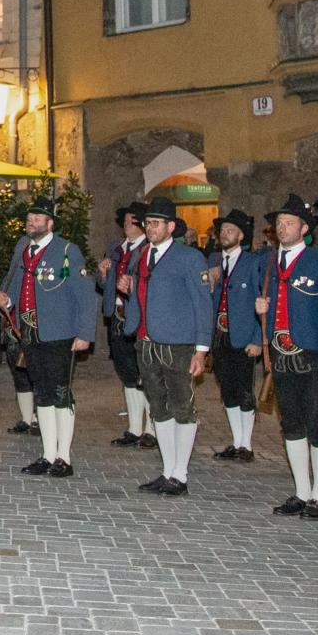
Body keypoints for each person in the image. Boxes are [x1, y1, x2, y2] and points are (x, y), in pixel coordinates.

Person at [255, 195, 318, 520]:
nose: (282, 228)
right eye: (279, 223)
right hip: (280, 354)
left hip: (312, 354)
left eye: (289, 223)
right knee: (290, 423)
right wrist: (261, 312)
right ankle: (301, 491)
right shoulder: (268, 262)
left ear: (304, 228)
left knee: (316, 423)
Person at [0, 196, 97, 476]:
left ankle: (64, 457)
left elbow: (86, 296)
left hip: (60, 332)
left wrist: (85, 333)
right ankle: (48, 454)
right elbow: (17, 287)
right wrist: (7, 302)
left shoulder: (67, 250)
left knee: (61, 393)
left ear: (50, 223)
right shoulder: (23, 250)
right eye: (30, 217)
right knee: (42, 395)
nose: (32, 221)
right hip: (30, 332)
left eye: (38, 218)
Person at [121, 196, 213, 496]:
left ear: (171, 227)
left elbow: (203, 305)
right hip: (146, 341)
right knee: (158, 407)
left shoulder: (189, 257)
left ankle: (180, 474)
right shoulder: (142, 255)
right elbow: (144, 292)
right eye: (147, 223)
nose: (150, 228)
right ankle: (167, 470)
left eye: (156, 223)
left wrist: (201, 349)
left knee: (182, 406)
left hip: (178, 343)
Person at [207, 210, 266, 462]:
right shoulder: (212, 260)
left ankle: (247, 445)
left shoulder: (252, 262)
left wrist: (257, 338)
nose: (224, 234)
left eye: (230, 230)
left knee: (244, 389)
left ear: (241, 235)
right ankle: (235, 440)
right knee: (227, 388)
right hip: (219, 335)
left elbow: (260, 302)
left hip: (243, 335)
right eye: (222, 231)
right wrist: (209, 281)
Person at [100, 203, 155, 449]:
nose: (126, 223)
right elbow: (105, 287)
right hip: (118, 315)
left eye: (132, 220)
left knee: (146, 372)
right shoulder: (116, 248)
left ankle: (152, 429)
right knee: (127, 374)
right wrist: (103, 275)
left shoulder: (148, 249)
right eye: (125, 220)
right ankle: (134, 428)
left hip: (140, 317)